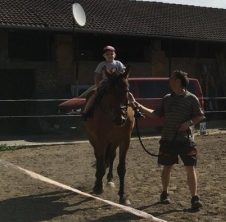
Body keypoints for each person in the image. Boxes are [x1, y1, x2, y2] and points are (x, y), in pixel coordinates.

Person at [133, 70, 206, 211]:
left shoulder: (191, 99)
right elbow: (155, 115)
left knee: (190, 168)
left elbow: (200, 116)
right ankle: (165, 193)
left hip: (186, 140)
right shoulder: (167, 98)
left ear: (178, 81)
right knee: (167, 168)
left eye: (172, 79)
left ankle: (194, 197)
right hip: (167, 139)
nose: (169, 81)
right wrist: (138, 106)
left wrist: (188, 123)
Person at [82, 45, 141, 120]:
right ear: (104, 56)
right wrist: (97, 85)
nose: (110, 55)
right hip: (106, 83)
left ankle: (136, 110)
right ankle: (86, 112)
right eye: (107, 54)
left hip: (117, 83)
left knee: (128, 94)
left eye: (111, 54)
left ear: (115, 55)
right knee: (94, 95)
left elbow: (125, 73)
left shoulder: (118, 63)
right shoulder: (102, 64)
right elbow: (97, 76)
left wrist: (124, 81)